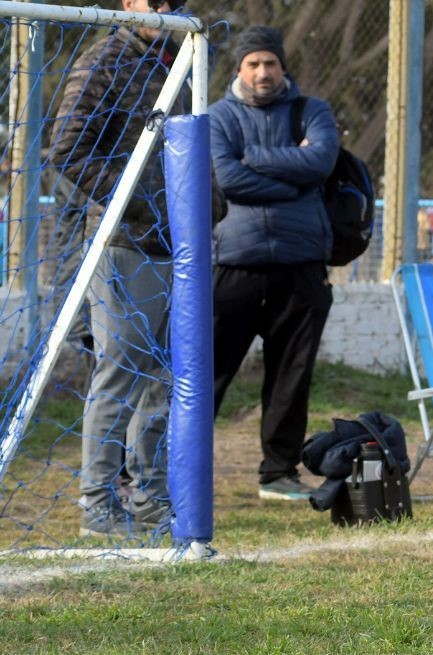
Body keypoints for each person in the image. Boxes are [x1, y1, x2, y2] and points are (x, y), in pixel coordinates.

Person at [48, 0, 187, 538]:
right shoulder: (104, 56)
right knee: (121, 372)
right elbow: (65, 151)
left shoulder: (184, 56)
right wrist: (138, 202)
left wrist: (209, 203)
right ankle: (98, 505)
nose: (161, 7)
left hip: (182, 246)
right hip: (124, 243)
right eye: (149, 0)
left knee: (168, 381)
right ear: (126, 4)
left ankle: (151, 499)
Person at [209, 26, 340, 500]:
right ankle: (175, 466)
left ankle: (279, 473)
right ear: (239, 69)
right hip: (234, 265)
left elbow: (322, 162)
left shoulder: (312, 112)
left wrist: (255, 159)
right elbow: (227, 178)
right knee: (209, 372)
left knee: (291, 372)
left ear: (283, 66)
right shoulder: (219, 116)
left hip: (302, 265)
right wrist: (292, 181)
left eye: (270, 62)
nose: (263, 72)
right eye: (253, 63)